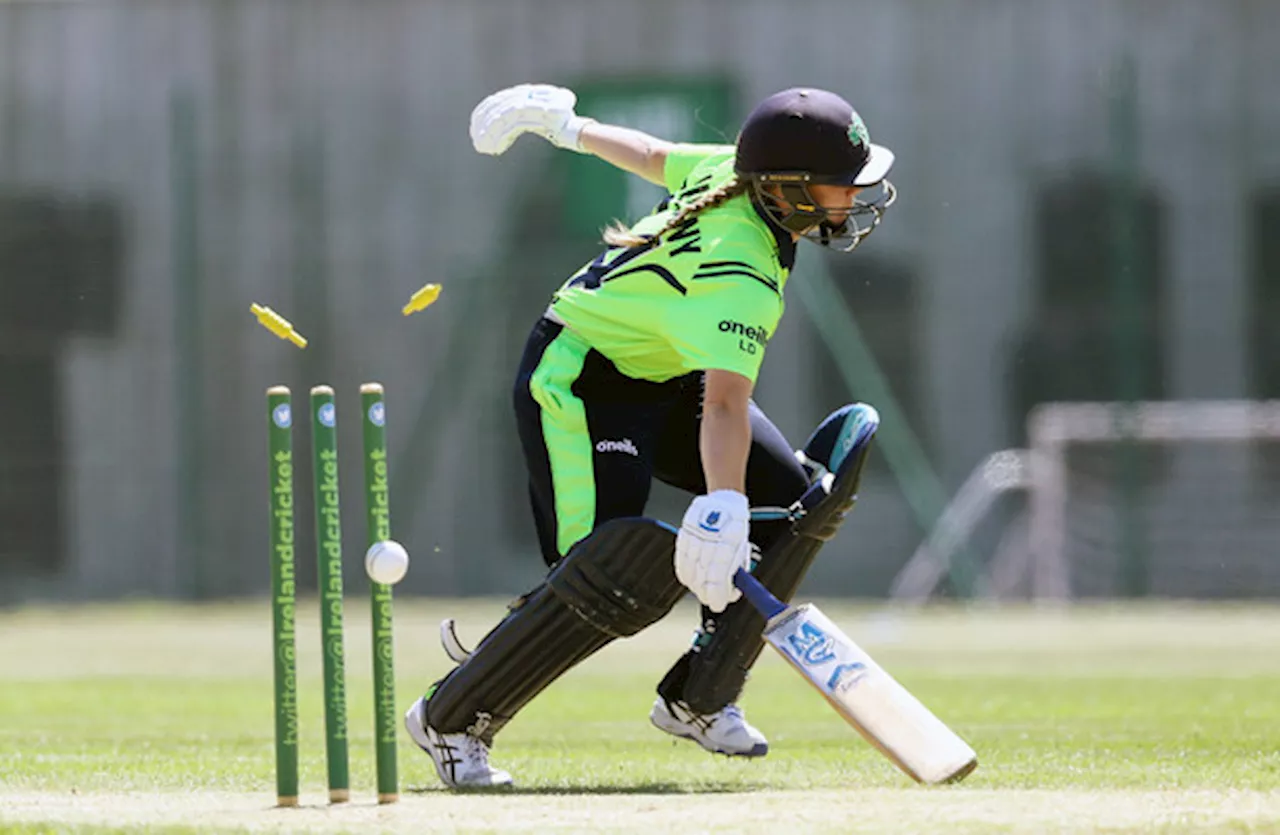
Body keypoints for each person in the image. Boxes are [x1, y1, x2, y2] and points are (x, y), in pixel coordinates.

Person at [404, 83, 896, 788]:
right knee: (609, 577)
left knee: (797, 502)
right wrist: (724, 506)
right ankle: (451, 717)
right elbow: (725, 404)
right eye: (840, 185)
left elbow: (656, 154)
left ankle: (701, 694)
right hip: (581, 381)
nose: (852, 198)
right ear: (787, 189)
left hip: (665, 377)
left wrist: (571, 128)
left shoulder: (734, 173)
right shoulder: (743, 271)